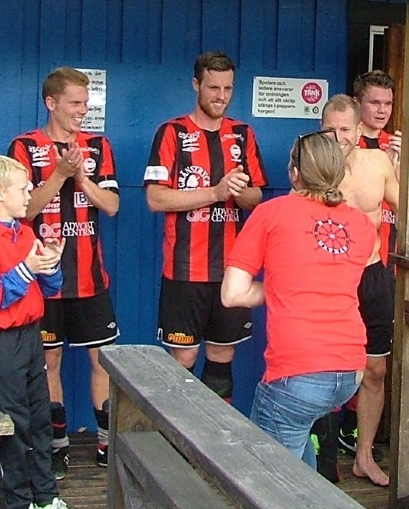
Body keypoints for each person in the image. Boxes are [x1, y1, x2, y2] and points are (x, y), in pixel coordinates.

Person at [221, 131, 375, 470]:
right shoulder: (363, 225)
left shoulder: (271, 213)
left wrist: (281, 284)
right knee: (297, 450)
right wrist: (290, 283)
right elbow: (333, 279)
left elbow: (232, 293)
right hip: (350, 371)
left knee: (270, 479)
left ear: (294, 173)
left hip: (298, 371)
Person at [7, 67, 120, 478]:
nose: (82, 110)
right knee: (48, 363)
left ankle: (107, 443)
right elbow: (25, 211)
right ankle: (57, 446)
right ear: (51, 103)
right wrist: (58, 173)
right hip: (43, 280)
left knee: (103, 362)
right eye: (75, 103)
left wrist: (82, 179)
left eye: (85, 103)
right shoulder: (24, 146)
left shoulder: (98, 145)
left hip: (91, 279)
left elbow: (112, 206)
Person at [143, 51, 267, 402]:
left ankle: (216, 433)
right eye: (214, 88)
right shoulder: (172, 132)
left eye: (228, 88)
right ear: (196, 84)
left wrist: (240, 192)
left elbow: (256, 196)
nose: (221, 96)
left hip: (233, 270)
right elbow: (155, 199)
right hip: (185, 269)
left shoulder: (242, 134)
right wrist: (216, 192)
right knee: (183, 359)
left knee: (222, 356)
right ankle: (174, 432)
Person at [0, 155, 68, 509]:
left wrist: (50, 264)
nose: (30, 194)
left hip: (30, 333)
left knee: (40, 418)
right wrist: (28, 268)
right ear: (0, 194)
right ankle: (18, 500)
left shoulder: (25, 233)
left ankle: (46, 496)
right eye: (23, 189)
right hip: (0, 339)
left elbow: (49, 288)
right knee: (16, 422)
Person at [320, 95, 399, 486]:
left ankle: (363, 455)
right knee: (324, 367)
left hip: (371, 274)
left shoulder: (378, 162)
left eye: (345, 130)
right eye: (329, 130)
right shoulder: (310, 166)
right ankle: (323, 457)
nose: (338, 138)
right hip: (328, 278)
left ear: (358, 129)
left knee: (376, 369)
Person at [352, 70, 402, 267]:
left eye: (388, 104)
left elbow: (405, 200)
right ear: (356, 103)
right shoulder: (347, 145)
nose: (382, 110)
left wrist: (400, 166)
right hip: (354, 243)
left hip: (389, 239)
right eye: (375, 103)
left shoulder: (395, 143)